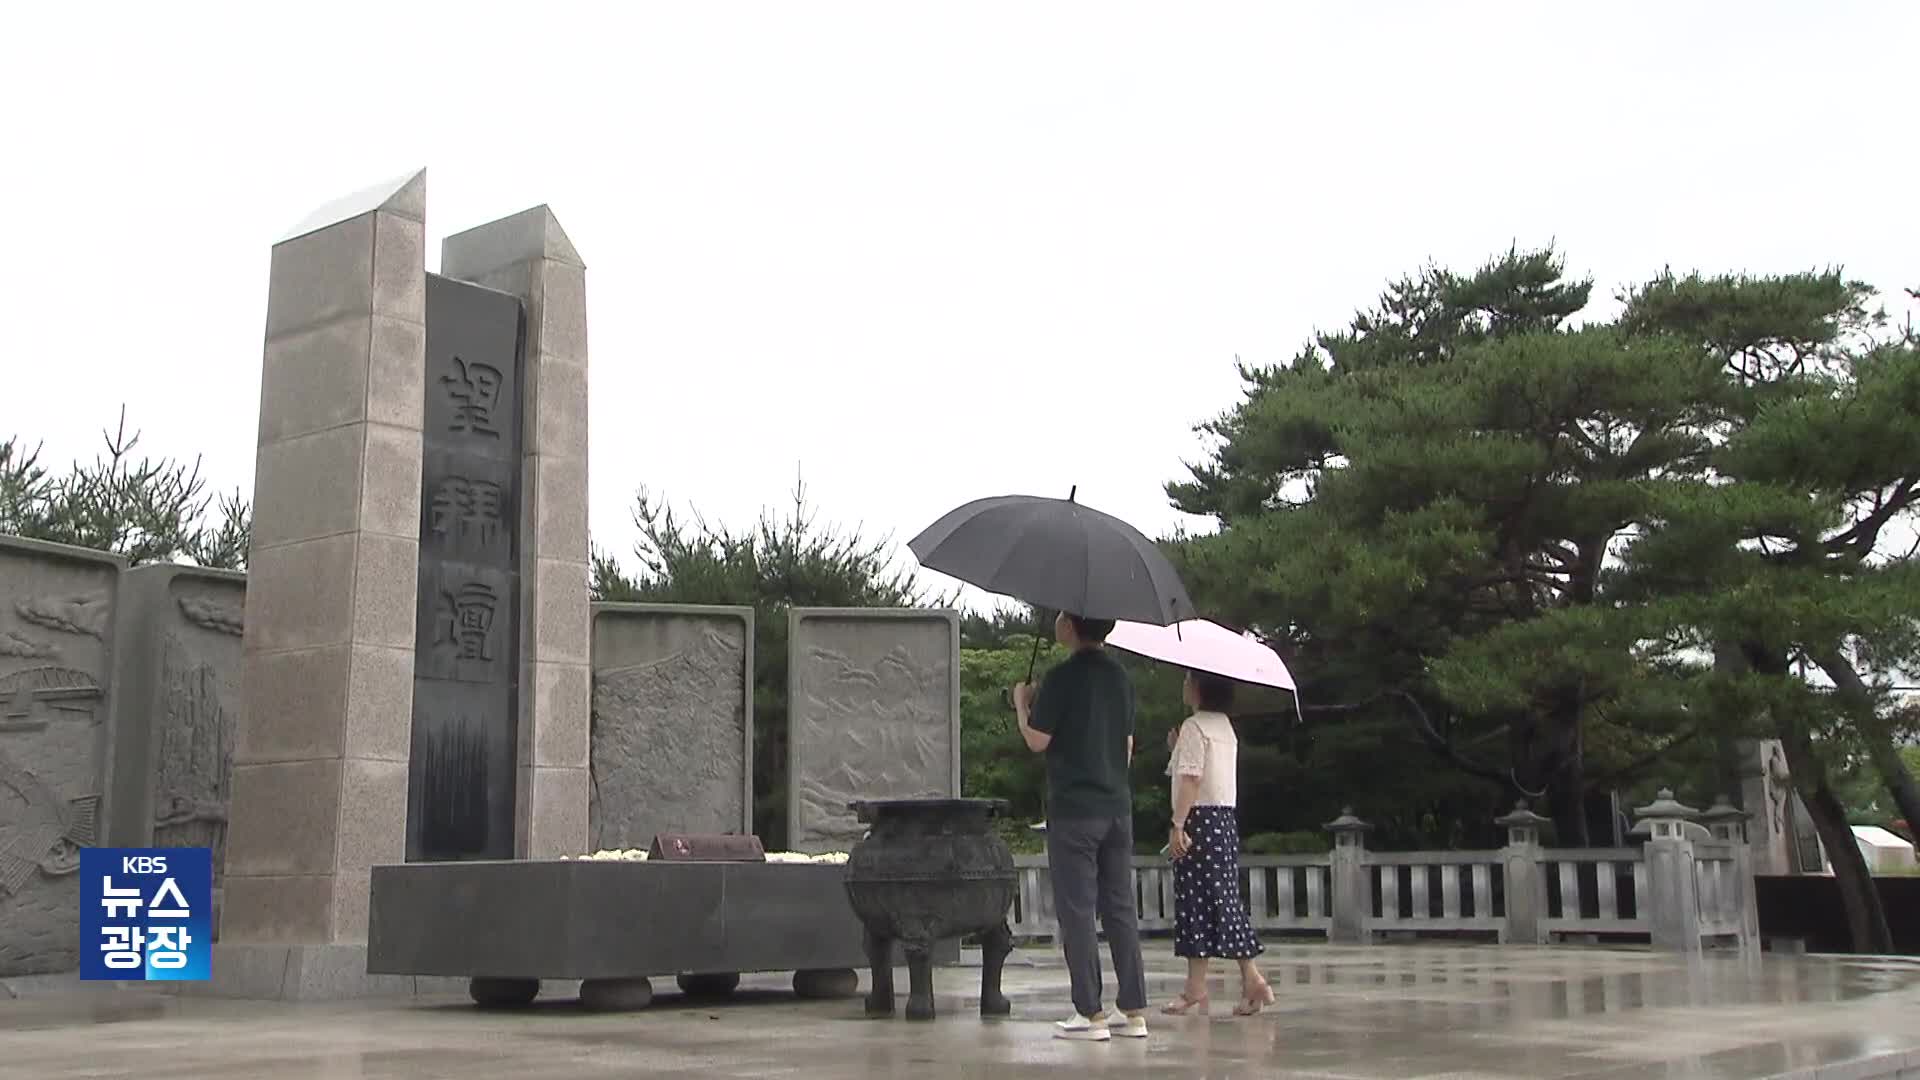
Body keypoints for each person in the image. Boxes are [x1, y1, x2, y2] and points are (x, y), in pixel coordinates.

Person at [1012, 612, 1149, 1042]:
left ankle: (1089, 1013)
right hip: (1116, 806)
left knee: (1078, 910)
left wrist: (1021, 703)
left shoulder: (1061, 676)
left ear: (1070, 625)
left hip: (1074, 809)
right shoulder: (1121, 678)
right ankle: (1134, 1010)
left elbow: (1037, 740)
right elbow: (1126, 747)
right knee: (1120, 908)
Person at [1161, 669, 1273, 1016]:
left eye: (1187, 679)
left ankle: (1237, 980)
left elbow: (1191, 780)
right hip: (1223, 820)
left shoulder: (1195, 727)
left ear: (1197, 687)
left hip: (1199, 819)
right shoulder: (1224, 727)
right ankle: (1210, 984)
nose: (1183, 684)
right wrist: (1176, 747)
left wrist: (1178, 824)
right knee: (1219, 898)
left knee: (1200, 901)